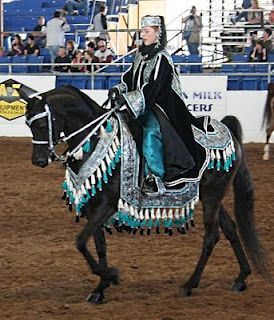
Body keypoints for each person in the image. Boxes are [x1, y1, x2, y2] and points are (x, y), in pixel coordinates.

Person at [108, 15, 204, 195]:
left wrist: (128, 99)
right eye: (142, 31)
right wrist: (119, 89)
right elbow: (130, 78)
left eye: (147, 31)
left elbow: (154, 88)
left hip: (161, 107)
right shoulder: (140, 54)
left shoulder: (162, 58)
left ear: (158, 33)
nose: (142, 35)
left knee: (151, 131)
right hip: (141, 104)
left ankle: (155, 176)